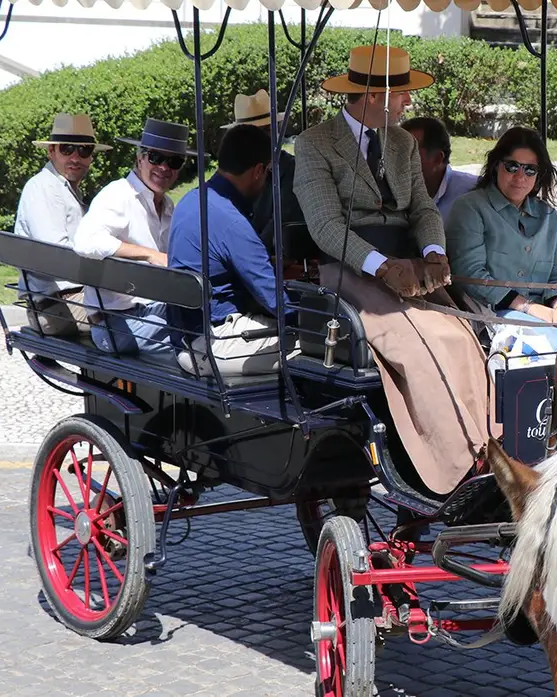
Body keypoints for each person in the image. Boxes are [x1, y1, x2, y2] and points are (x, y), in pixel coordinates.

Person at [292, 44, 493, 497]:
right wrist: (383, 267)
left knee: (462, 335)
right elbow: (326, 228)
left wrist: (434, 251)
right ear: (373, 95)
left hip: (408, 266)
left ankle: (486, 449)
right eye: (401, 93)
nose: (407, 102)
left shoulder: (402, 142)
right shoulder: (314, 144)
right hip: (348, 270)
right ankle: (452, 467)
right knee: (419, 342)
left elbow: (423, 208)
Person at [168, 124, 300, 376]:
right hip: (213, 342)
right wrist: (321, 319)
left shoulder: (191, 199)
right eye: (269, 173)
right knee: (322, 350)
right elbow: (276, 300)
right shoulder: (232, 222)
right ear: (259, 170)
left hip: (185, 333)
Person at [74, 118, 196, 357]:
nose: (164, 167)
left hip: (153, 313)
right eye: (156, 158)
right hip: (117, 323)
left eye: (174, 161)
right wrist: (149, 254)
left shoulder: (169, 207)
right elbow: (85, 240)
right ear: (140, 158)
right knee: (201, 342)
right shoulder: (118, 195)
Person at [447, 126, 557, 352]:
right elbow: (470, 274)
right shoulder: (470, 207)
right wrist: (528, 308)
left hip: (547, 314)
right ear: (497, 165)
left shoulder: (550, 217)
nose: (520, 177)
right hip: (490, 317)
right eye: (512, 166)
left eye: (530, 170)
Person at [14, 113, 111, 336]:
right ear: (52, 151)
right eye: (67, 149)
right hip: (57, 306)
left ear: (91, 157)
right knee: (141, 320)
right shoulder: (44, 189)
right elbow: (57, 256)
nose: (76, 157)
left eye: (84, 150)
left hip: (71, 299)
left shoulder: (65, 189)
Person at [221, 89, 304, 256]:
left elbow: (279, 223)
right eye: (250, 134)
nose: (259, 140)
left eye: (266, 130)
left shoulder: (293, 170)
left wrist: (248, 257)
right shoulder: (234, 173)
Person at [400, 116, 476, 222]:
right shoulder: (389, 192)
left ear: (437, 158)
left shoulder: (474, 194)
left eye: (409, 153)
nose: (398, 160)